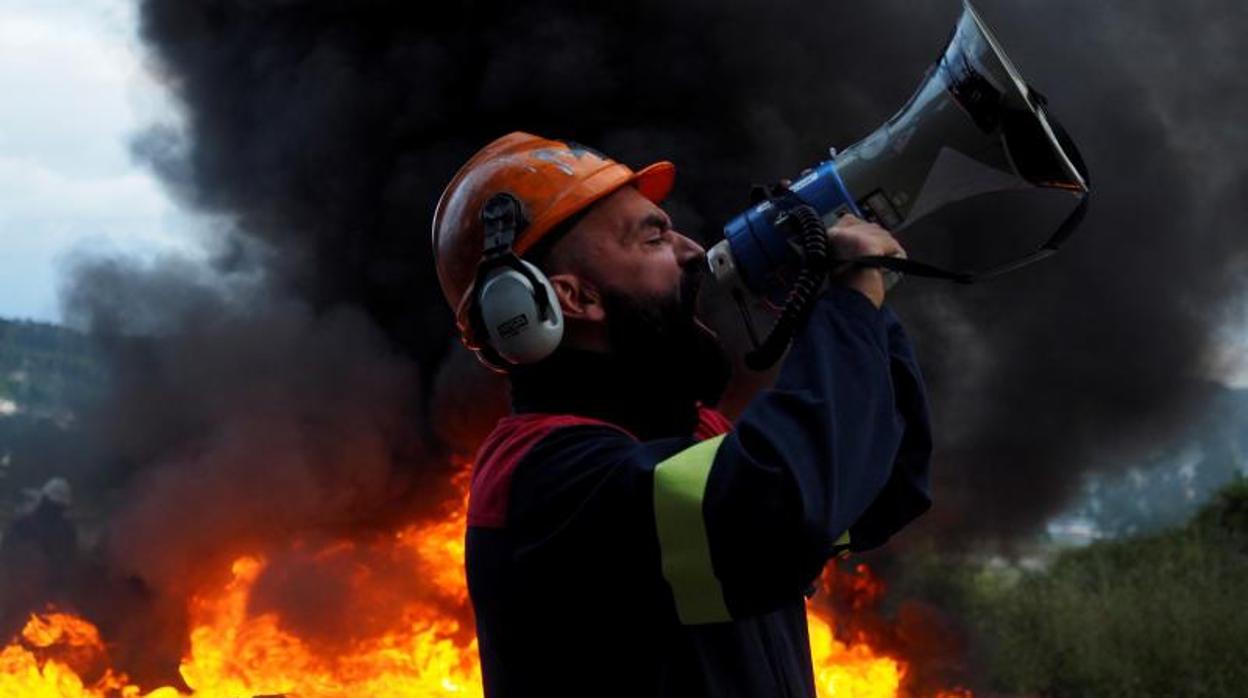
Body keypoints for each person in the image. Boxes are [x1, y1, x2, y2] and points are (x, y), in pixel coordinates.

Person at [432, 132, 932, 697]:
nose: (693, 251)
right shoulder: (541, 481)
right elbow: (784, 504)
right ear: (572, 298)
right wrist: (848, 308)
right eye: (654, 237)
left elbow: (886, 484)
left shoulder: (689, 439)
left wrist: (863, 310)